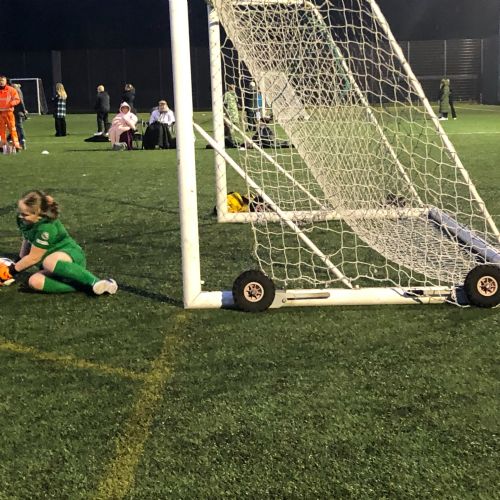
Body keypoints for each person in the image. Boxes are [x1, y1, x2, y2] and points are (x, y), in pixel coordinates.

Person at [0, 190, 117, 295]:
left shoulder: (47, 228)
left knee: (49, 262)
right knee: (34, 282)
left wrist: (11, 270)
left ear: (39, 214)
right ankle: (83, 286)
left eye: (25, 214)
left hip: (71, 257)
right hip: (49, 264)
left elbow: (34, 258)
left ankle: (97, 282)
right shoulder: (23, 220)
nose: (20, 216)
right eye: (20, 212)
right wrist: (18, 260)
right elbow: (27, 238)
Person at [0, 75, 21, 151]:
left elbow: (17, 99)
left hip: (9, 112)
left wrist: (11, 103)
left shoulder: (11, 90)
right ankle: (2, 146)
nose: (1, 82)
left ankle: (16, 145)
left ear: (6, 81)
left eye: (2, 80)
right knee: (1, 130)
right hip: (0, 113)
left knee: (12, 129)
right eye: (0, 81)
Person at [11, 83, 28, 149]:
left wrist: (24, 111)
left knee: (16, 126)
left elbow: (21, 102)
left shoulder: (14, 93)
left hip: (15, 112)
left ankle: (21, 140)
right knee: (17, 126)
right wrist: (24, 111)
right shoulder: (19, 92)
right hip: (17, 112)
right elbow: (21, 102)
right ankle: (20, 140)